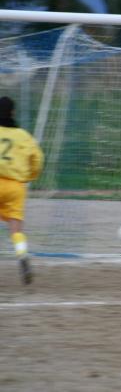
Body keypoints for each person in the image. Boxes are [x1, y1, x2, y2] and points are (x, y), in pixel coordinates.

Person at [0, 96, 44, 285]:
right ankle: (22, 254)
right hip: (16, 186)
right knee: (16, 228)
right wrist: (31, 176)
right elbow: (38, 159)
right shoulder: (23, 135)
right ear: (13, 112)